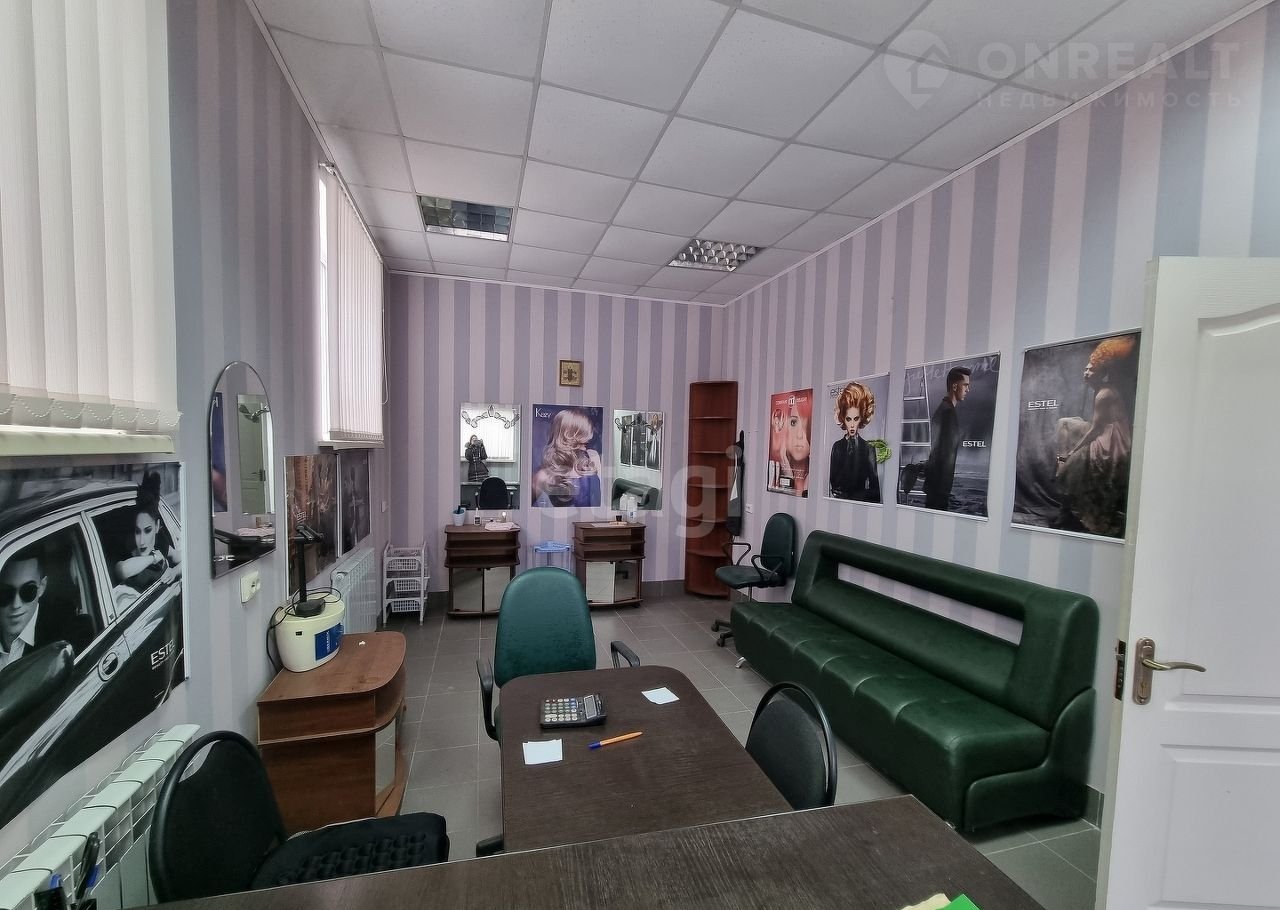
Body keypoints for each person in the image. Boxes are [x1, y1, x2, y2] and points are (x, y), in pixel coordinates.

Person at [1054, 336, 1137, 537]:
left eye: (1091, 370)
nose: (1086, 372)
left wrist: (1074, 451)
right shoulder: (1100, 390)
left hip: (1113, 439)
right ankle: (1062, 462)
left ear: (1102, 373)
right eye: (1086, 368)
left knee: (1070, 447)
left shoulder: (1103, 394)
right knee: (1064, 423)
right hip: (1107, 430)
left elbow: (1096, 430)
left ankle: (1063, 463)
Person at [114, 473, 180, 592]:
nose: (142, 541)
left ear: (157, 526)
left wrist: (174, 572)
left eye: (148, 530)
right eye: (137, 532)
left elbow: (184, 559)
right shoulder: (127, 549)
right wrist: (153, 558)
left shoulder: (160, 543)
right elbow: (122, 570)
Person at [923, 366, 971, 510]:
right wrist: (943, 492)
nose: (968, 390)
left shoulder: (943, 409)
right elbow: (943, 455)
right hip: (939, 490)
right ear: (955, 386)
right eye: (965, 385)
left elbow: (937, 452)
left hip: (935, 488)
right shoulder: (948, 412)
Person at [533, 408, 602, 507]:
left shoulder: (593, 457)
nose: (589, 437)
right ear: (568, 435)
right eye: (582, 433)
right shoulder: (542, 476)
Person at [829, 382, 881, 503]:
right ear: (843, 419)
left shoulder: (868, 448)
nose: (852, 425)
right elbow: (834, 485)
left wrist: (856, 496)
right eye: (848, 419)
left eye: (856, 419)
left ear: (862, 418)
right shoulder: (837, 447)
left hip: (860, 506)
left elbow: (875, 491)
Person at [780, 395, 812, 497]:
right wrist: (788, 477)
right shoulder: (775, 475)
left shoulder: (816, 479)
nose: (799, 435)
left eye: (806, 425)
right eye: (793, 422)